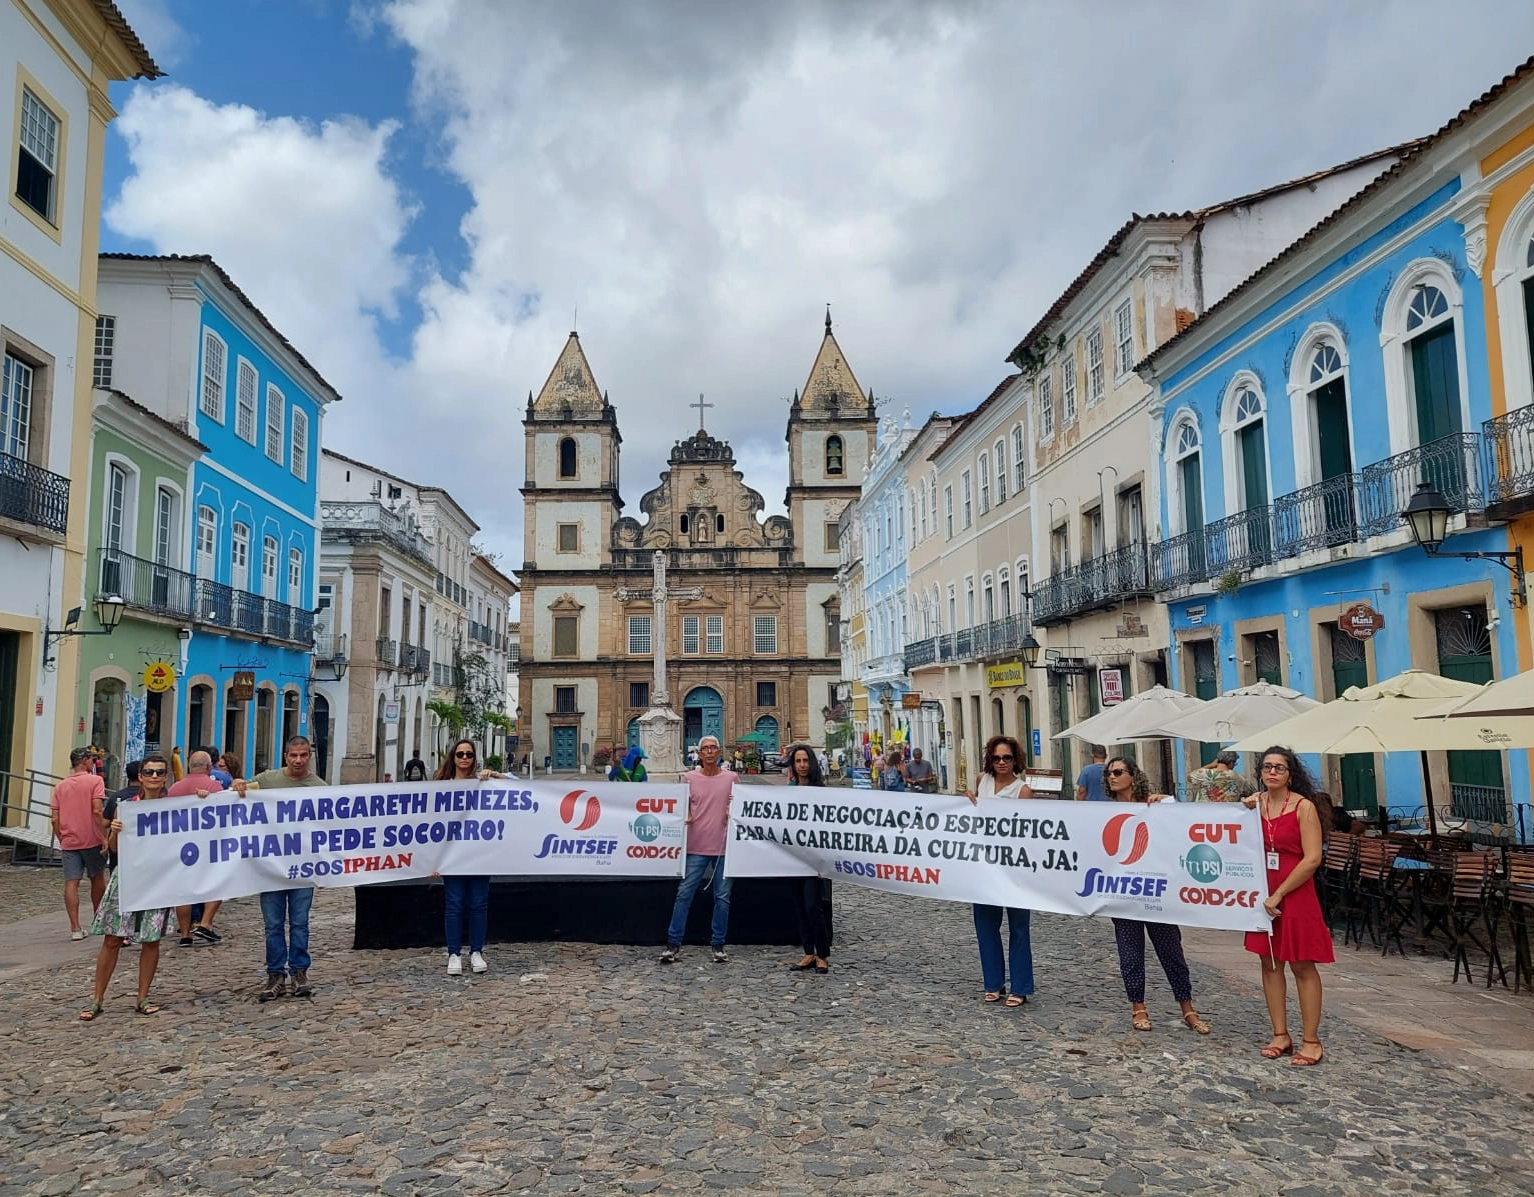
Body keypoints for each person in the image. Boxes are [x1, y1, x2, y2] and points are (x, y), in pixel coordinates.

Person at [1103, 756, 1210, 1035]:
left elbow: (1180, 826)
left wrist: (1167, 802)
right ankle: (1138, 1006)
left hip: (1156, 893)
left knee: (1171, 949)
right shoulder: (1102, 812)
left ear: (1132, 775)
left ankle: (1187, 1005)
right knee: (1130, 953)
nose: (1112, 777)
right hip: (1124, 893)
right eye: (1108, 773)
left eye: (1117, 772)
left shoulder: (1155, 805)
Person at [1242, 746, 1333, 1066]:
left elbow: (1312, 858)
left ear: (1290, 774)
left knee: (1302, 965)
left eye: (1279, 768)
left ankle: (1312, 1040)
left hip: (1294, 892)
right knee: (1269, 963)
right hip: (1263, 893)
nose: (1272, 772)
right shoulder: (1255, 805)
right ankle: (1280, 1033)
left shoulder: (1304, 807)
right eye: (1267, 767)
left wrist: (1279, 894)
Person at [80, 752, 177, 1019]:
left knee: (151, 939)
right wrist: (115, 831)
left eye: (159, 772)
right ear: (140, 776)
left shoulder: (176, 807)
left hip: (158, 880)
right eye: (149, 772)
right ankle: (97, 998)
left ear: (166, 776)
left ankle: (143, 996)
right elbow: (113, 849)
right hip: (128, 876)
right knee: (112, 938)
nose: (154, 777)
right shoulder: (127, 806)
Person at [233, 737, 326, 1001]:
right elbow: (238, 793)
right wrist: (237, 783)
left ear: (309, 756)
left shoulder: (319, 788)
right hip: (271, 869)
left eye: (303, 755)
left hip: (302, 868)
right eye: (293, 755)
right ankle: (275, 974)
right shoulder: (267, 780)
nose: (298, 760)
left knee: (300, 923)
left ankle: (299, 972)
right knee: (273, 925)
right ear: (285, 756)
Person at [964, 735, 1035, 1006]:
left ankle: (1020, 986)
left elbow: (1028, 832)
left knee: (1018, 927)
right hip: (983, 866)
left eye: (1006, 758)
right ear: (989, 760)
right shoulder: (983, 781)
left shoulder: (1022, 791)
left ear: (1015, 760)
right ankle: (993, 982)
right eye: (996, 758)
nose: (1002, 762)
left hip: (1014, 868)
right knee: (985, 926)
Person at [434, 739, 508, 976]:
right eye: (460, 754)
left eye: (469, 754)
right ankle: (454, 954)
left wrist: (495, 774)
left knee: (479, 905)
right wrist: (433, 859)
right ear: (452, 757)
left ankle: (476, 951)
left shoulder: (483, 783)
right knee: (454, 905)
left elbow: (518, 788)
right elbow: (429, 824)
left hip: (478, 854)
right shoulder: (441, 785)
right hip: (452, 855)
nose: (465, 758)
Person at [659, 735, 734, 964]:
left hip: (724, 846)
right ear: (699, 754)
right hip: (696, 845)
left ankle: (718, 944)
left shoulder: (732, 778)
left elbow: (740, 804)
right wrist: (686, 816)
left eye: (713, 748)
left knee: (722, 897)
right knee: (684, 894)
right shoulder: (688, 779)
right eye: (705, 749)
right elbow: (679, 806)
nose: (710, 752)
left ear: (719, 752)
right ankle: (673, 943)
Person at [167, 750, 226, 946]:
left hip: (180, 845)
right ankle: (205, 923)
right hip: (208, 844)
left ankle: (185, 934)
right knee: (216, 884)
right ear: (209, 767)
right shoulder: (214, 786)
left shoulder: (174, 788)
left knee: (183, 890)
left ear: (189, 766)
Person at [50, 747, 107, 940]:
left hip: (70, 840)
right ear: (84, 761)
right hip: (92, 838)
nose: (94, 763)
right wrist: (105, 836)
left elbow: (54, 818)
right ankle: (98, 920)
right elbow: (97, 810)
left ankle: (75, 928)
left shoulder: (60, 786)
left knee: (71, 883)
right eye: (92, 759)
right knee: (97, 878)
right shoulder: (95, 781)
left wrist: (61, 836)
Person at [785, 744, 832, 974]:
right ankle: (808, 953)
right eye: (798, 761)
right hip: (793, 857)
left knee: (814, 906)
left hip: (814, 859)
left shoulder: (821, 791)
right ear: (793, 765)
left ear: (811, 763)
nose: (802, 765)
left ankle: (822, 954)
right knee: (799, 907)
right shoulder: (790, 790)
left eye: (805, 761)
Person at [1186, 750, 1256, 804]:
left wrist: (1211, 765)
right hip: (1227, 815)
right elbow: (1253, 793)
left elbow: (1189, 777)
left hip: (1204, 813)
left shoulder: (1205, 774)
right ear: (1231, 762)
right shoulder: (1240, 778)